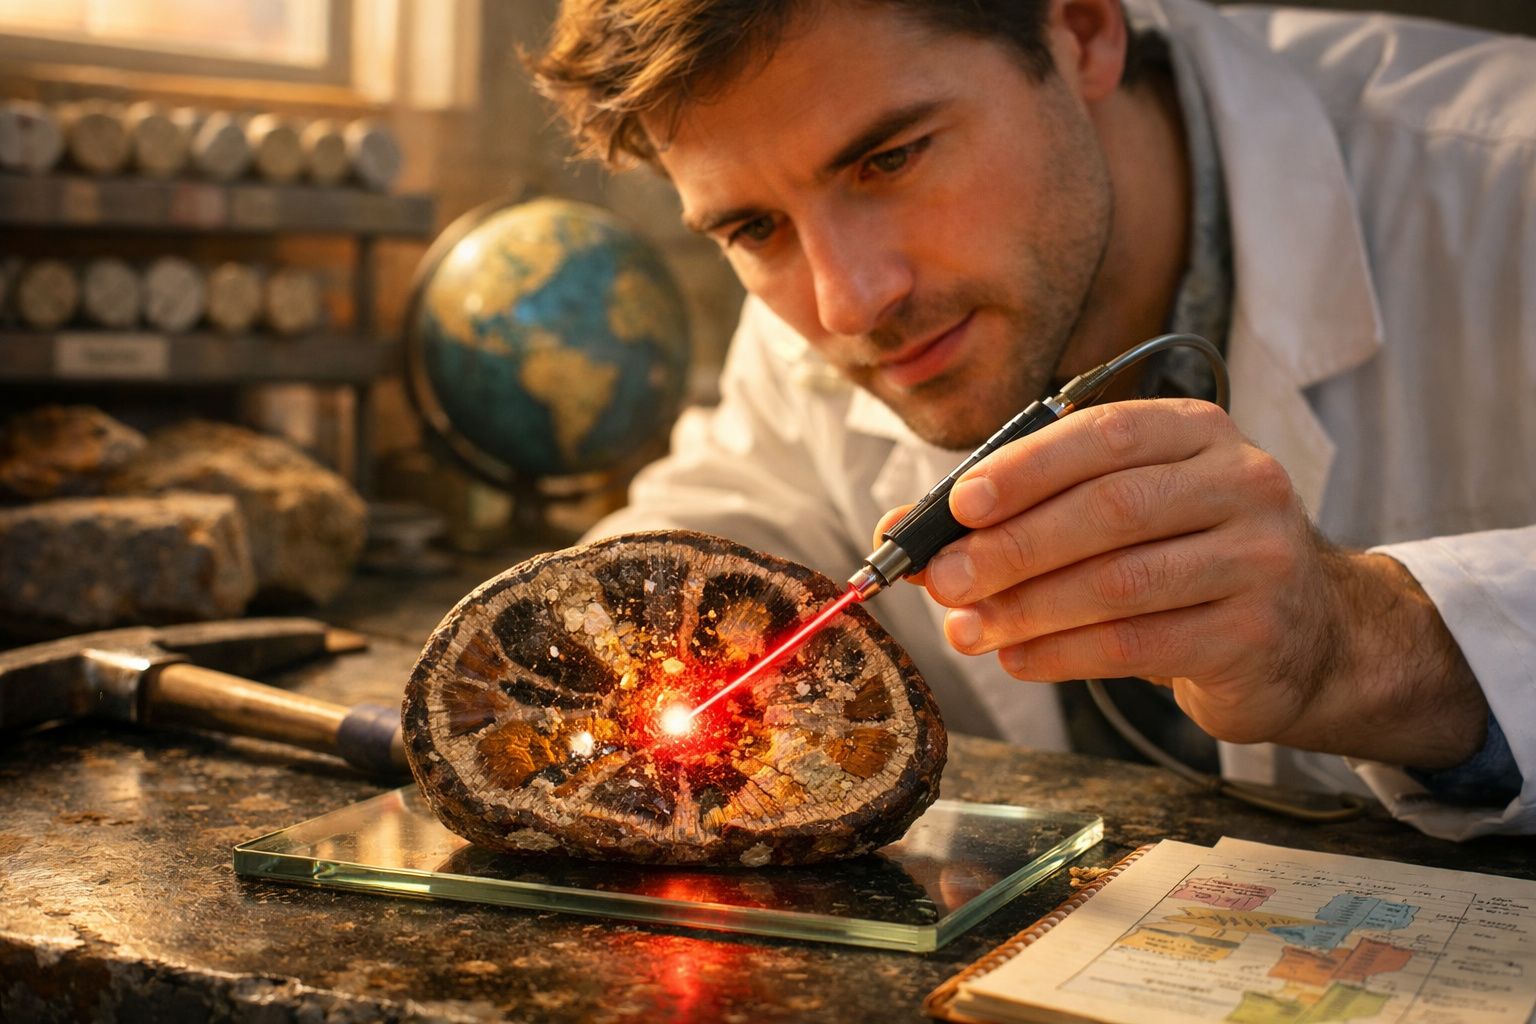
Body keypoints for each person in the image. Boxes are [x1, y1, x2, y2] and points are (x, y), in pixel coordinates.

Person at [528, 0, 1536, 839]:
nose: (849, 304)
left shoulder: (1505, 183)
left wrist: (1366, 642)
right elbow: (733, 505)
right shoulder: (826, 292)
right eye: (753, 227)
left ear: (1082, 29)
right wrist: (607, 657)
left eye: (890, 159)